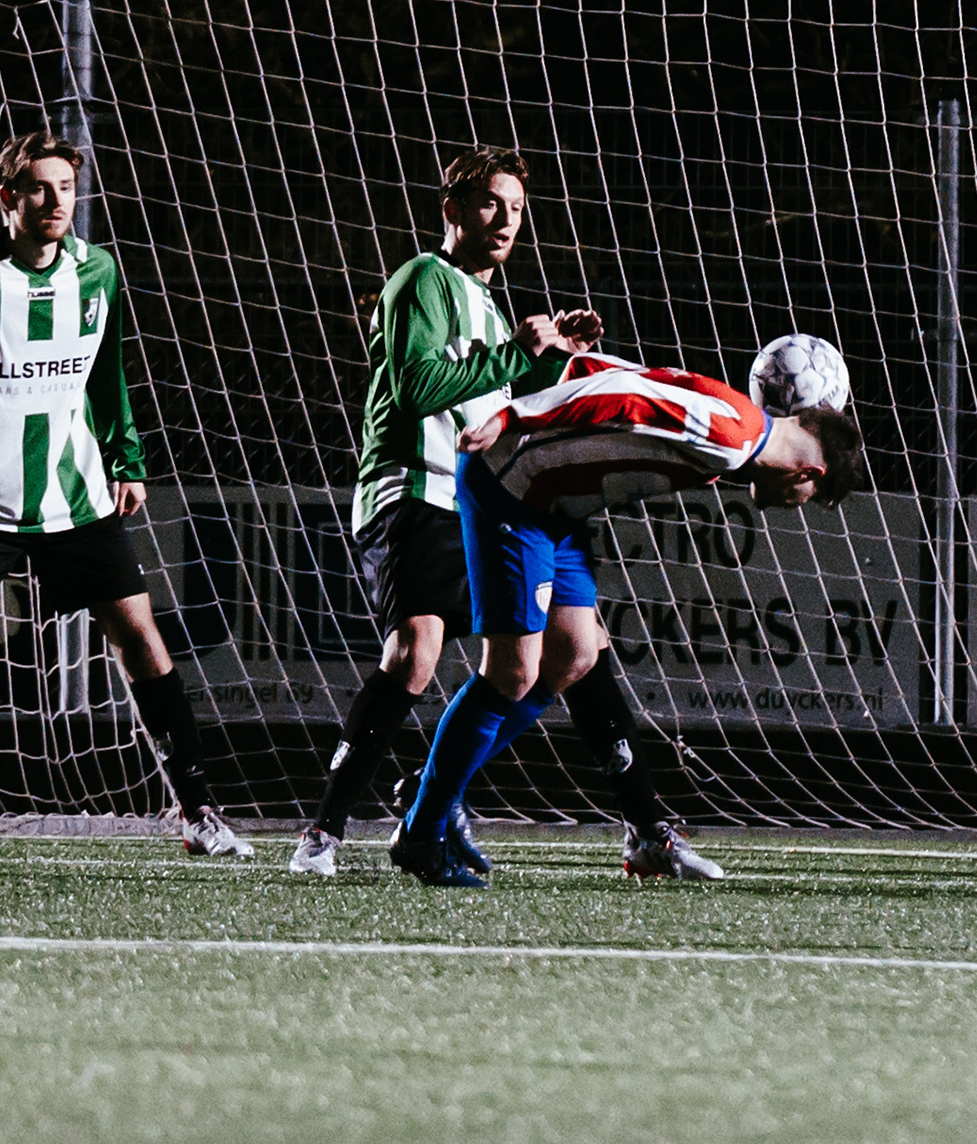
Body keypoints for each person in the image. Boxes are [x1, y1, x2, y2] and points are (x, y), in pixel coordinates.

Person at [287, 152, 696, 880]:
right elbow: (416, 387)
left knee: (573, 647)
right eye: (490, 203)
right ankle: (323, 831)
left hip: (482, 498)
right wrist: (516, 353)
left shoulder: (492, 306)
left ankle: (626, 823)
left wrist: (555, 359)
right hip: (413, 488)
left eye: (516, 208)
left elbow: (498, 400)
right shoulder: (423, 278)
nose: (506, 220)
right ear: (452, 208)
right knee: (414, 654)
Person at [0, 130, 249, 860]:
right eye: (40, 188)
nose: (57, 202)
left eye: (67, 189)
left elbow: (108, 375)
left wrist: (127, 459)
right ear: (7, 197)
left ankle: (199, 810)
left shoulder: (98, 271)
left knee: (143, 641)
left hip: (77, 499)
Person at [388, 336, 868, 886]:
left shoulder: (740, 422)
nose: (794, 506)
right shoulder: (729, 436)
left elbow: (618, 372)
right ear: (811, 474)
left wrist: (565, 369)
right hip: (513, 487)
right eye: (808, 500)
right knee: (512, 672)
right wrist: (514, 415)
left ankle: (438, 785)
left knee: (574, 654)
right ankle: (422, 832)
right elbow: (625, 397)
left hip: (556, 505)